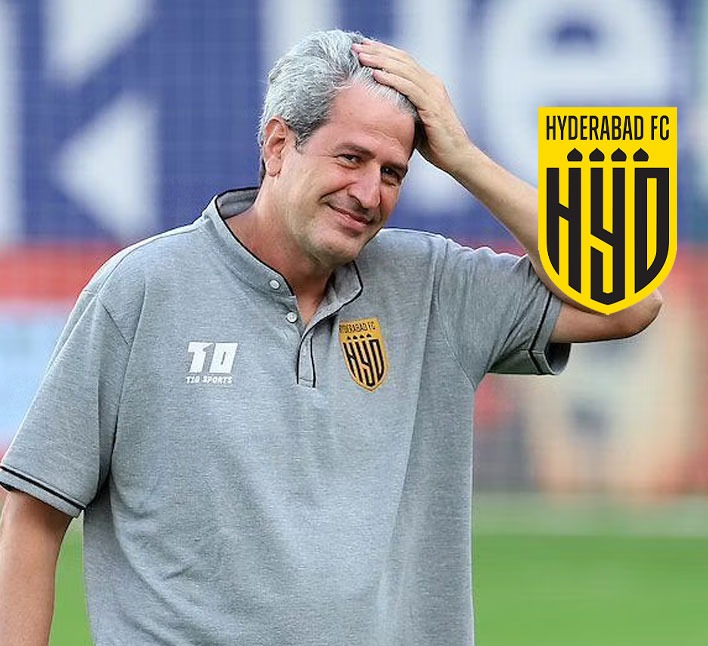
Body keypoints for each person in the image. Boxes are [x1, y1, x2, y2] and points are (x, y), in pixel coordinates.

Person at [0, 29, 661, 645]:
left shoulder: (433, 285)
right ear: (277, 146)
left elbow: (629, 300)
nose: (369, 193)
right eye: (351, 158)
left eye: (393, 172)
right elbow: (31, 511)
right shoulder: (143, 289)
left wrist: (463, 158)